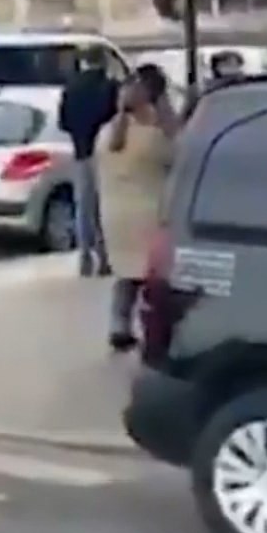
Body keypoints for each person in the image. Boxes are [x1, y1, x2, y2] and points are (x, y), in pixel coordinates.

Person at [98, 64, 181, 351]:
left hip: (114, 214)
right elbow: (180, 157)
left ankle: (118, 325)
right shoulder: (154, 137)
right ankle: (155, 331)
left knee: (126, 275)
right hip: (148, 213)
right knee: (154, 278)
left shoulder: (107, 133)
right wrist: (168, 115)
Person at [55, 46, 119, 278]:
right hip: (105, 152)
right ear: (103, 61)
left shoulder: (71, 87)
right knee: (104, 205)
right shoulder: (110, 86)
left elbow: (63, 122)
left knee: (83, 205)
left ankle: (84, 255)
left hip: (80, 151)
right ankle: (104, 256)